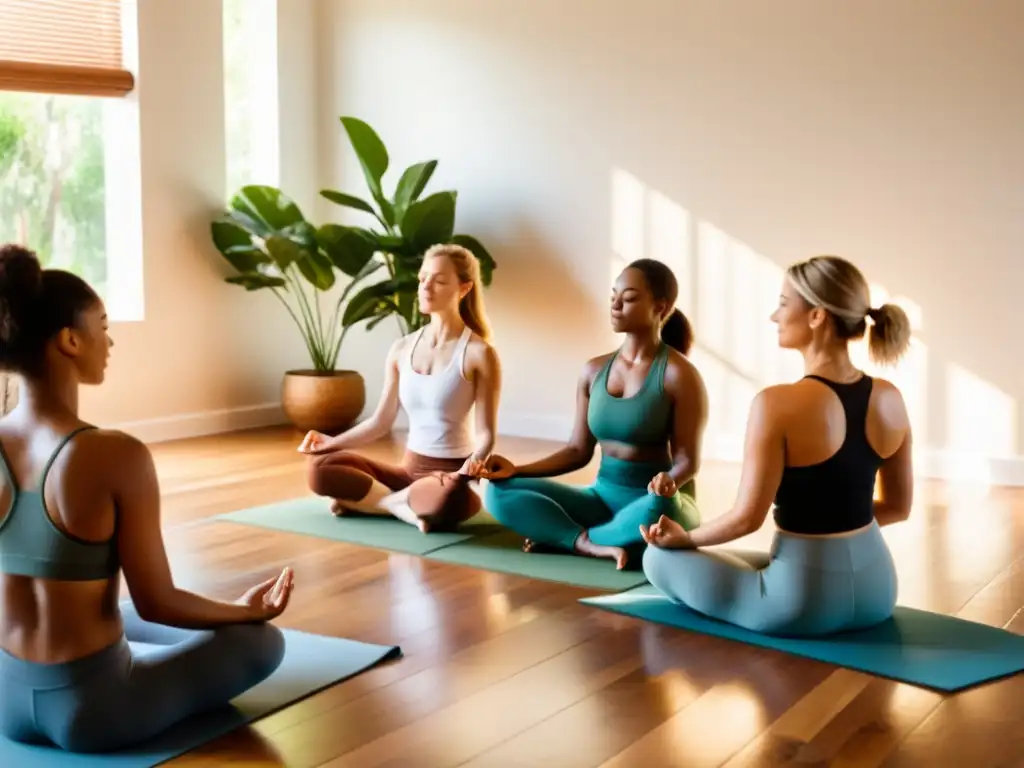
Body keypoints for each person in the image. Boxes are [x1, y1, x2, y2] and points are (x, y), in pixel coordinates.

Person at [0, 244, 292, 753]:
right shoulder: (115, 454)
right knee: (262, 642)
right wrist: (242, 611)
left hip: (5, 702)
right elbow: (158, 603)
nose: (110, 341)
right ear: (69, 340)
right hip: (93, 710)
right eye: (103, 325)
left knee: (115, 604)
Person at [641, 255, 914, 637]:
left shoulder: (776, 404)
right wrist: (838, 531)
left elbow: (746, 518)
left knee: (658, 558)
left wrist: (685, 539)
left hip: (802, 605)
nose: (774, 315)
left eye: (784, 304)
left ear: (817, 316)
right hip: (878, 591)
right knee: (740, 560)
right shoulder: (891, 397)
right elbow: (899, 508)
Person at [473, 258, 706, 570]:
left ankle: (563, 537)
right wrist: (516, 470)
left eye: (630, 297)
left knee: (657, 516)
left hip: (657, 502)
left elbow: (688, 461)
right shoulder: (593, 370)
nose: (616, 305)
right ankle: (591, 542)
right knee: (497, 492)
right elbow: (577, 451)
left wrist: (669, 481)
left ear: (660, 307)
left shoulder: (680, 375)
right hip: (600, 499)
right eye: (614, 296)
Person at [299, 243, 501, 533]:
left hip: (448, 479)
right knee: (319, 468)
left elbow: (486, 436)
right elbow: (380, 422)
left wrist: (463, 475)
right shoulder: (401, 348)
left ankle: (372, 504)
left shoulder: (479, 354)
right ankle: (399, 507)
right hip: (407, 471)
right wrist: (330, 443)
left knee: (449, 501)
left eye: (439, 281)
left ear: (464, 288)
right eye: (423, 279)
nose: (426, 287)